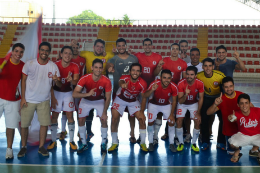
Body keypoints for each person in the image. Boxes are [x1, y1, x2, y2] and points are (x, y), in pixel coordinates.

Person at [18, 42, 61, 157]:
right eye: (42, 50)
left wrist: (57, 80)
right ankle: (23, 147)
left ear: (49, 52)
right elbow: (23, 81)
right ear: (39, 50)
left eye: (47, 50)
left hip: (44, 101)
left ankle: (41, 147)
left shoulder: (53, 66)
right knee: (24, 125)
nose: (44, 52)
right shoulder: (29, 64)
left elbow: (59, 85)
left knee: (44, 125)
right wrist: (23, 98)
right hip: (28, 100)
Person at [207, 77, 256, 155]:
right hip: (230, 132)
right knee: (232, 153)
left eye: (230, 86)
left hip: (243, 130)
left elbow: (253, 109)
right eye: (226, 87)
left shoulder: (241, 95)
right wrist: (215, 104)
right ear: (223, 88)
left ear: (233, 86)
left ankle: (254, 150)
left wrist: (243, 113)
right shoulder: (221, 99)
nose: (229, 89)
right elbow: (208, 113)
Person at [73, 58, 112, 153]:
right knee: (81, 120)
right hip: (86, 100)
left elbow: (108, 98)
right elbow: (74, 94)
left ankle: (103, 142)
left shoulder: (106, 81)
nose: (98, 70)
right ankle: (83, 143)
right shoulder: (85, 78)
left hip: (99, 100)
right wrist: (87, 94)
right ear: (92, 68)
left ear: (102, 69)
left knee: (104, 119)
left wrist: (104, 112)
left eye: (100, 68)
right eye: (96, 67)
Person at [80, 39, 114, 142]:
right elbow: (73, 53)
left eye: (101, 47)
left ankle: (104, 136)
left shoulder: (108, 55)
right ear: (94, 47)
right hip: (88, 85)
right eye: (97, 46)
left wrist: (116, 53)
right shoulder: (86, 54)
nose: (99, 48)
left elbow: (118, 58)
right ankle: (89, 132)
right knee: (88, 110)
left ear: (104, 48)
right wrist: (73, 45)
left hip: (102, 86)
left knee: (102, 111)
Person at [108, 63, 148, 152]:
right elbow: (120, 81)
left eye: (137, 71)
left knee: (142, 120)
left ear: (140, 73)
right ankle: (114, 142)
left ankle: (143, 143)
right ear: (129, 71)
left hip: (133, 100)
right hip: (120, 99)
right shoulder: (125, 78)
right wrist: (122, 85)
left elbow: (144, 97)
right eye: (133, 70)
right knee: (114, 119)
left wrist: (142, 112)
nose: (135, 72)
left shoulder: (143, 83)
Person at [106, 38, 138, 143]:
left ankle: (132, 133)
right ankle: (115, 138)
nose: (121, 47)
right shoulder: (113, 59)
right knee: (115, 116)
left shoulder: (134, 59)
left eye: (123, 45)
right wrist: (109, 68)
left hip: (132, 92)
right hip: (117, 92)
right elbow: (108, 65)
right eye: (119, 46)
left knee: (131, 114)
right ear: (116, 47)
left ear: (126, 46)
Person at [47, 46, 79, 150]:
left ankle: (71, 141)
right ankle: (53, 141)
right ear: (61, 54)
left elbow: (76, 82)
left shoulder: (75, 66)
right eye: (65, 53)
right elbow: (52, 84)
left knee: (70, 115)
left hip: (68, 92)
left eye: (70, 53)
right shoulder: (55, 65)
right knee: (55, 115)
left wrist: (71, 81)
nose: (67, 55)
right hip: (56, 92)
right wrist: (52, 96)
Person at [154, 43, 187, 142]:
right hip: (163, 89)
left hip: (175, 91)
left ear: (179, 51)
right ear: (170, 50)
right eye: (173, 49)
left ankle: (174, 135)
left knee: (174, 113)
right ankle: (157, 135)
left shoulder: (183, 63)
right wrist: (159, 66)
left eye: (177, 49)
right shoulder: (164, 61)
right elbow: (156, 73)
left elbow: (184, 79)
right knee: (161, 111)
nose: (175, 51)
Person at [0, 43, 25, 159]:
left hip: (13, 100)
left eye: (21, 52)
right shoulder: (2, 62)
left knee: (11, 126)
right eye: (16, 51)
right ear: (12, 51)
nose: (18, 54)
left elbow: (26, 82)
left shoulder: (23, 66)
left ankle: (9, 150)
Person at [144, 69, 177, 152]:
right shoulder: (155, 84)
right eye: (164, 78)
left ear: (171, 78)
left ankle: (171, 143)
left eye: (168, 78)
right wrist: (152, 89)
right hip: (154, 104)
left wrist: (172, 114)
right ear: (160, 78)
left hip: (166, 105)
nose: (166, 80)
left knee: (171, 122)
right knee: (150, 123)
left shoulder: (173, 86)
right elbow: (145, 95)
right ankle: (151, 143)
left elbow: (174, 101)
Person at [196, 58, 225, 150]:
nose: (208, 68)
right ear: (202, 67)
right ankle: (205, 141)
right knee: (204, 118)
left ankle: (220, 142)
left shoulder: (220, 76)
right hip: (207, 97)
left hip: (218, 97)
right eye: (205, 66)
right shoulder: (199, 76)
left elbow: (226, 88)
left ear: (213, 66)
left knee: (222, 119)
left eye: (210, 66)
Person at [59, 40, 86, 140]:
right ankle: (63, 130)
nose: (74, 49)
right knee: (66, 110)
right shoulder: (66, 58)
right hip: (67, 88)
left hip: (78, 88)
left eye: (76, 48)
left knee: (80, 110)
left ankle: (80, 131)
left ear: (78, 49)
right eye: (72, 48)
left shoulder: (83, 59)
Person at [176, 66, 204, 152]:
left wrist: (198, 113)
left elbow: (201, 98)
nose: (189, 76)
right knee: (179, 121)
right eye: (187, 74)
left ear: (195, 75)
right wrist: (185, 95)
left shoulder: (200, 83)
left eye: (191, 75)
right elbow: (180, 101)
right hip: (183, 104)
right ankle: (181, 142)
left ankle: (194, 143)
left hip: (193, 103)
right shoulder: (181, 83)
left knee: (197, 121)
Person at [228, 94, 260, 162]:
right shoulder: (236, 114)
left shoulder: (258, 111)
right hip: (243, 136)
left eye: (246, 103)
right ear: (238, 105)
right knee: (232, 144)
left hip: (257, 136)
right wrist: (230, 118)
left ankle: (254, 150)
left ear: (250, 103)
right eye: (241, 103)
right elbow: (231, 118)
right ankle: (237, 152)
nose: (244, 106)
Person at [184, 47, 203, 143]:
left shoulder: (203, 66)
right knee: (187, 115)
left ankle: (199, 133)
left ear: (199, 55)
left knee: (199, 115)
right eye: (192, 54)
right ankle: (188, 133)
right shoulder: (186, 65)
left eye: (196, 54)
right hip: (188, 93)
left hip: (200, 93)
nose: (195, 57)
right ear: (190, 56)